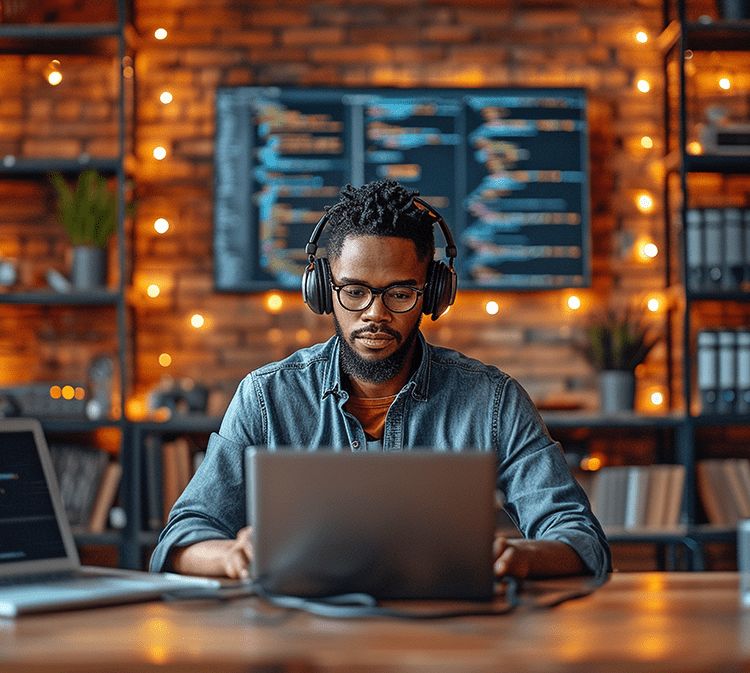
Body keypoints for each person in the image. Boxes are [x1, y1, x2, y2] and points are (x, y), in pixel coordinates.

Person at [149, 179, 611, 581]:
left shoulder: (492, 400)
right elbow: (183, 538)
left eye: (400, 292)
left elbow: (581, 539)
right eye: (354, 291)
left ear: (432, 291)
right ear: (323, 290)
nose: (375, 313)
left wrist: (522, 557)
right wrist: (231, 555)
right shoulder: (267, 396)